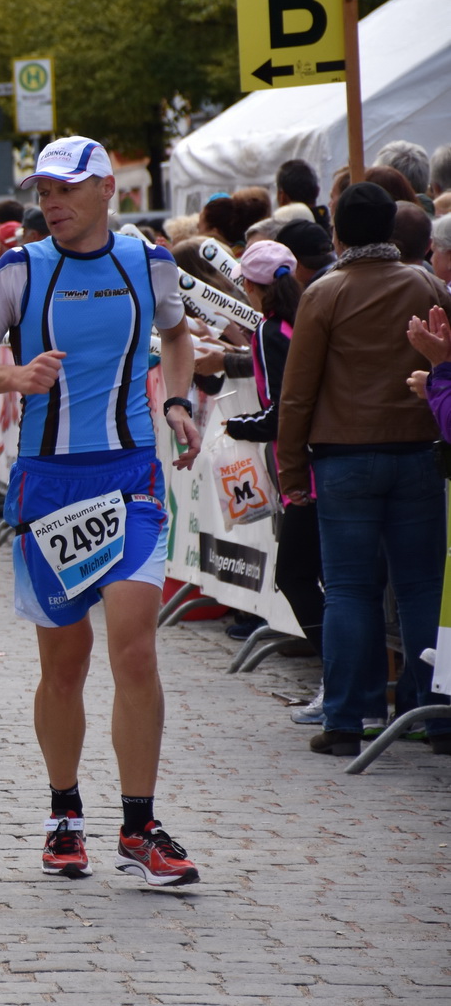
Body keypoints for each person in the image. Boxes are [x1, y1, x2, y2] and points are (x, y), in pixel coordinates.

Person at [0, 135, 203, 888]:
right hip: (51, 485)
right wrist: (13, 376)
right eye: (42, 192)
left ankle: (139, 822)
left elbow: (178, 332)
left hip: (130, 479)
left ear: (105, 190)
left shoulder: (148, 260)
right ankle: (64, 811)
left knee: (134, 648)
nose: (49, 203)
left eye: (63, 189)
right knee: (65, 664)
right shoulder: (21, 268)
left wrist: (182, 401)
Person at [278, 182, 450, 756]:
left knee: (350, 591)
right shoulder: (427, 283)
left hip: (344, 457)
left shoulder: (324, 294)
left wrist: (291, 468)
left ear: (338, 232)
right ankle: (437, 717)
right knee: (423, 588)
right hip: (418, 452)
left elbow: (297, 394)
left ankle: (348, 721)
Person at [221, 240, 325, 685]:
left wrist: (236, 427)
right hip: (328, 460)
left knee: (296, 576)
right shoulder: (304, 318)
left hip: (306, 471)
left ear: (249, 285)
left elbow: (281, 409)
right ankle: (345, 675)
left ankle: (338, 674)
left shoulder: (268, 332)